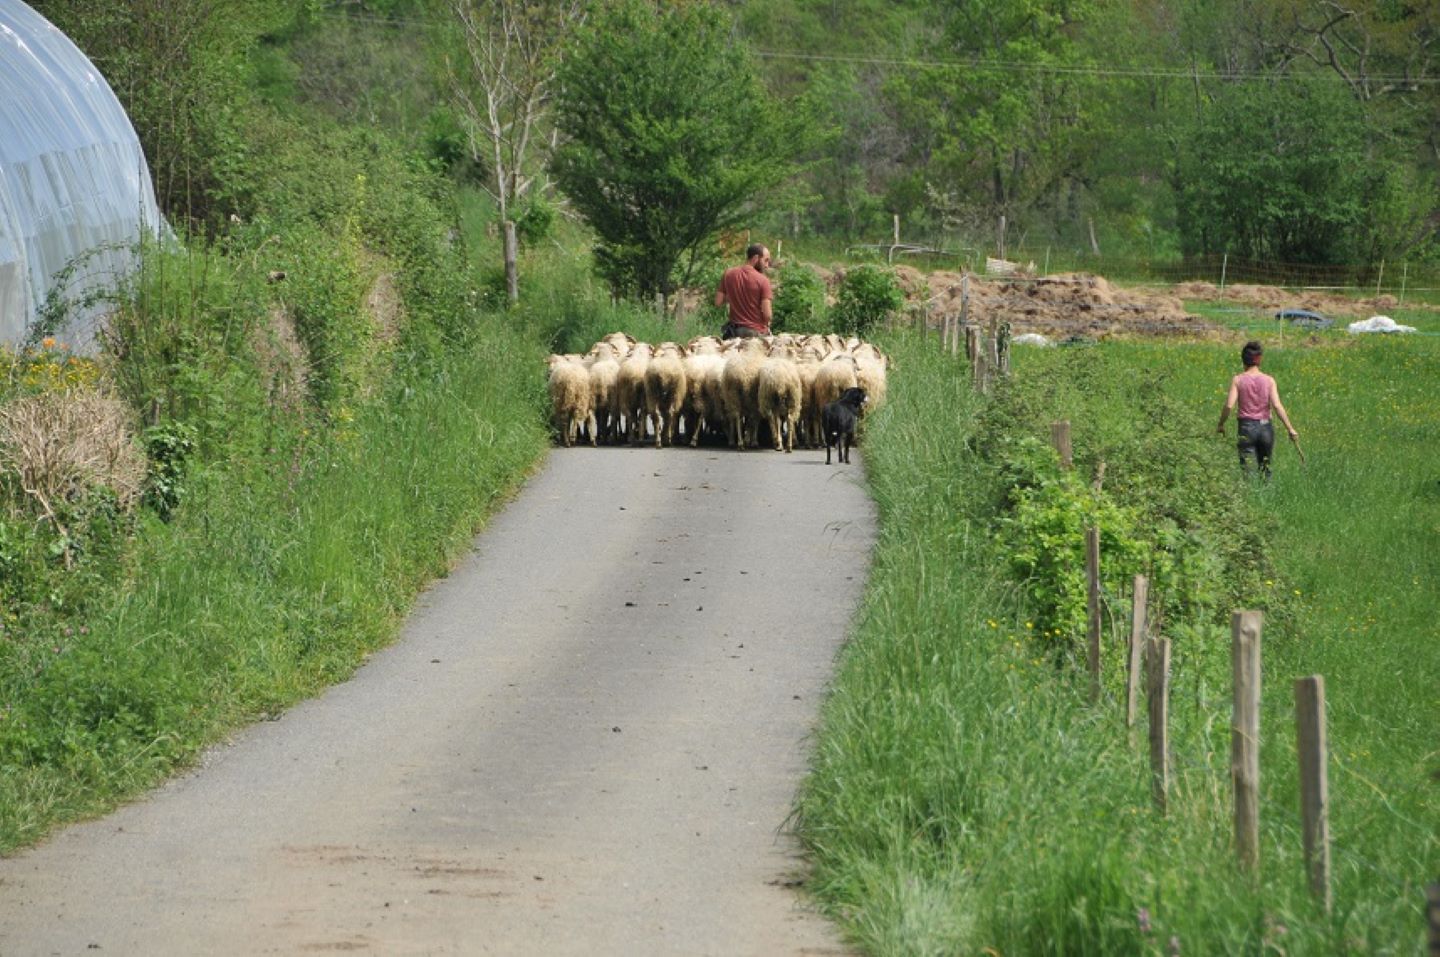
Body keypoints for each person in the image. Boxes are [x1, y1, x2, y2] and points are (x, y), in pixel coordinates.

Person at [1217, 340, 1298, 479]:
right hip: (1266, 428)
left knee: (1248, 471)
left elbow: (1229, 405)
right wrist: (1290, 428)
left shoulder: (1238, 380)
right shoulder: (1269, 380)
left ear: (1244, 359)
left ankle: (1250, 498)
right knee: (1266, 468)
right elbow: (1277, 406)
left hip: (1246, 428)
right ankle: (1266, 495)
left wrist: (1221, 424)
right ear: (1259, 360)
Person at [714, 243, 772, 339]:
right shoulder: (763, 280)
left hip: (733, 333)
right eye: (765, 260)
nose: (767, 265)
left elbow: (718, 302)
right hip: (755, 334)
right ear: (756, 258)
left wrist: (735, 296)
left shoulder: (728, 274)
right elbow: (768, 315)